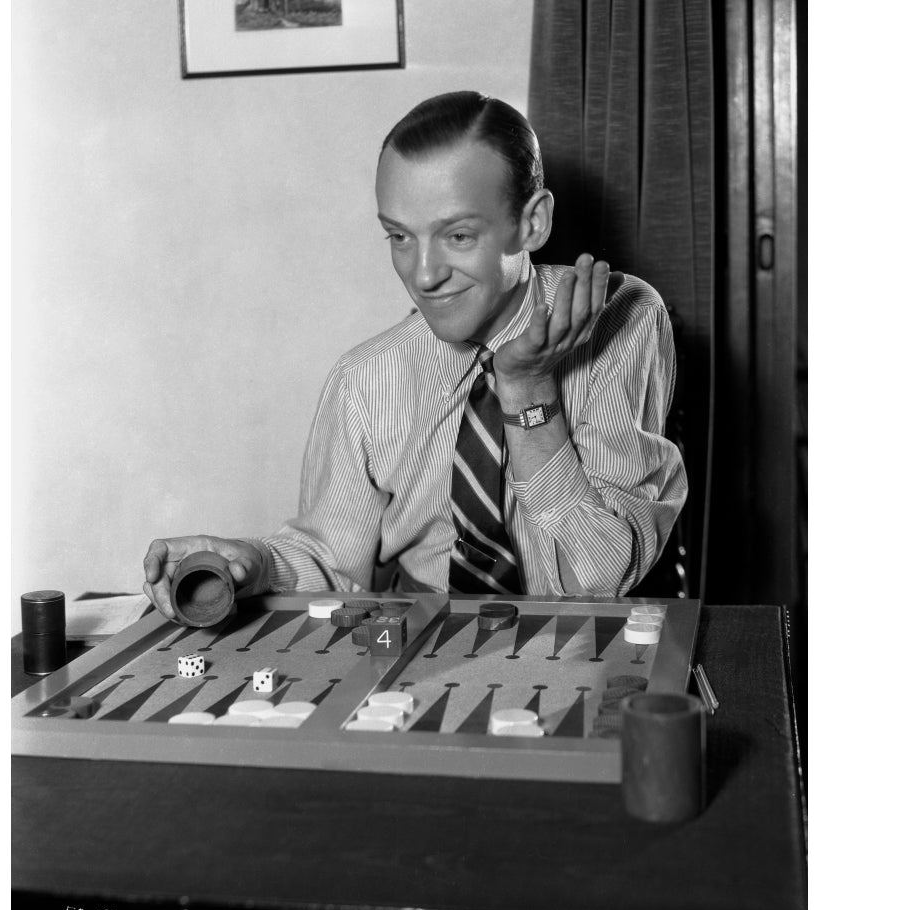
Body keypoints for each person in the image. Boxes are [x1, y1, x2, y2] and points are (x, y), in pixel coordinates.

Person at [144, 91, 686, 621]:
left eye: (457, 235)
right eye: (400, 236)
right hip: (421, 649)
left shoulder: (622, 317)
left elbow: (597, 579)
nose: (423, 275)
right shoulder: (364, 379)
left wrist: (527, 388)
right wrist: (256, 564)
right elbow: (332, 561)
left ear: (532, 222)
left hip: (586, 646)